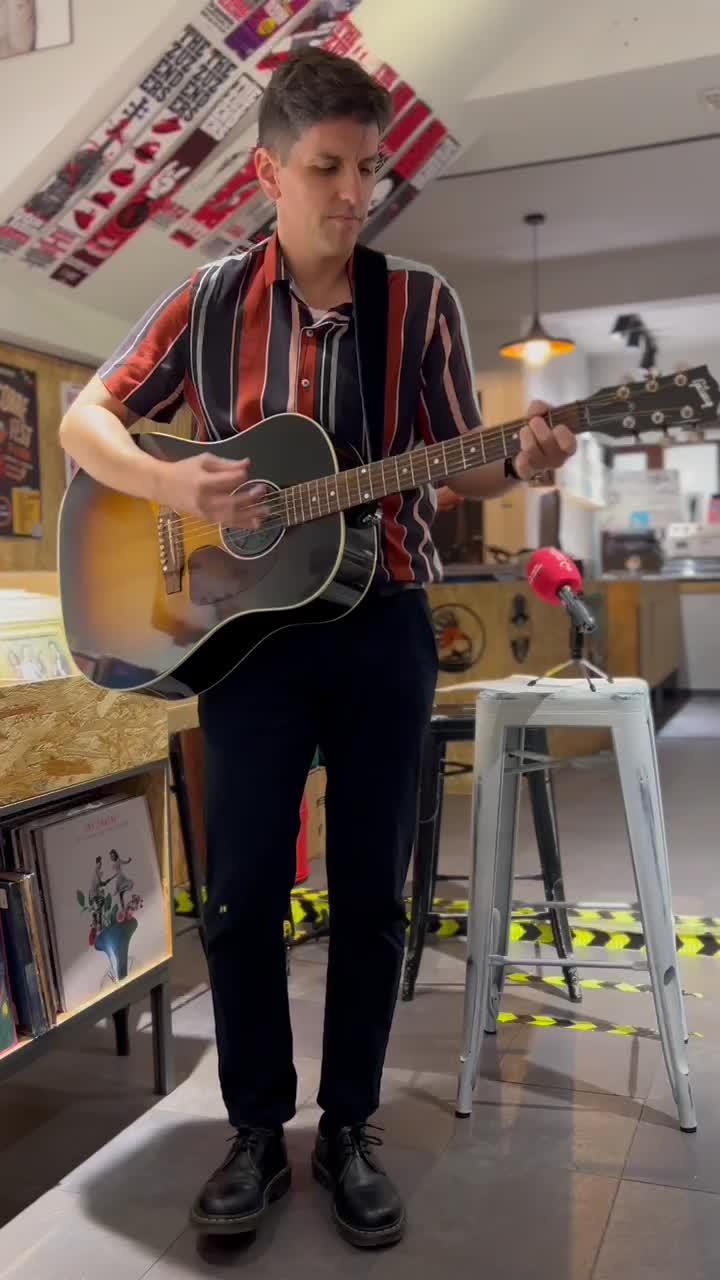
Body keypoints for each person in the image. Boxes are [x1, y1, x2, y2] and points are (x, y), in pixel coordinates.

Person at [59, 47, 576, 1249]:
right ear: (268, 173)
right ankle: (253, 1127)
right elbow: (86, 417)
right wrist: (172, 485)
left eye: (369, 168)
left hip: (385, 619)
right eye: (327, 168)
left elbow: (465, 459)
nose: (354, 193)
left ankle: (348, 1127)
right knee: (241, 888)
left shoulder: (421, 304)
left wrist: (523, 460)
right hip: (246, 641)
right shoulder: (206, 301)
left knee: (373, 893)